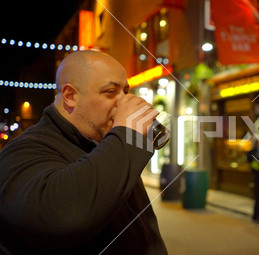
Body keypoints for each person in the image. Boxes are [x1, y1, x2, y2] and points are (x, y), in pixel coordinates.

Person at [0, 50, 167, 254]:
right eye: (110, 92)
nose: (124, 101)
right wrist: (126, 134)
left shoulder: (107, 143)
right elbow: (63, 216)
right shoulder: (23, 151)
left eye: (125, 91)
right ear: (70, 96)